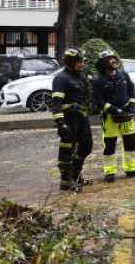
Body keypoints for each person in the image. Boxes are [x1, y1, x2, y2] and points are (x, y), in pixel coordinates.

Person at [92, 49, 135, 182]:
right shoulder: (98, 80)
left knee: (131, 141)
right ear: (103, 63)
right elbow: (99, 101)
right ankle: (109, 172)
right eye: (109, 58)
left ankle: (132, 168)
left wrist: (132, 105)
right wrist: (114, 110)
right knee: (110, 144)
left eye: (114, 58)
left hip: (126, 115)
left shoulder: (123, 75)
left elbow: (131, 91)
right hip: (110, 117)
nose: (113, 60)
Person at [52, 47, 92, 192]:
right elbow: (56, 102)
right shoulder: (61, 78)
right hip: (69, 119)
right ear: (70, 62)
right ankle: (66, 180)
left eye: (82, 61)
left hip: (81, 117)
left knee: (86, 146)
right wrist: (60, 123)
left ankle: (75, 174)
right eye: (78, 61)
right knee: (67, 149)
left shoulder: (79, 76)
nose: (81, 64)